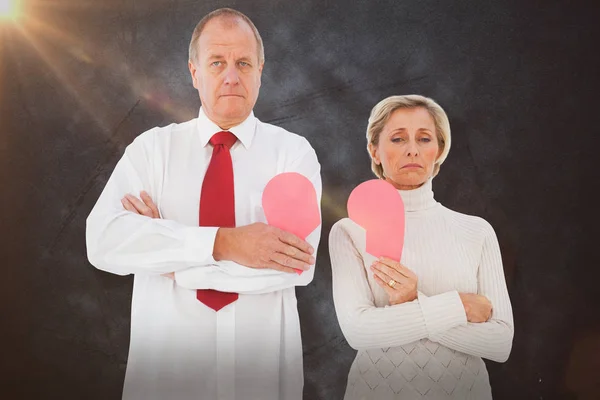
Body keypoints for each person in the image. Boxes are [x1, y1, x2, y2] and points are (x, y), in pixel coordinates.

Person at [86, 8, 321, 400]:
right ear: (195, 72)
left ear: (260, 69)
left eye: (243, 62)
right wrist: (224, 244)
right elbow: (104, 240)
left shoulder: (293, 154)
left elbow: (295, 268)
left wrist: (173, 262)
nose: (231, 75)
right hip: (164, 381)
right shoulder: (152, 150)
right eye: (217, 62)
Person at [329, 95, 513, 399]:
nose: (412, 149)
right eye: (398, 138)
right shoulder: (350, 231)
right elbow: (359, 331)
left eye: (424, 138)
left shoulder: (476, 231)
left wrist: (413, 300)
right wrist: (460, 306)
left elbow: (500, 343)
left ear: (439, 150)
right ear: (374, 150)